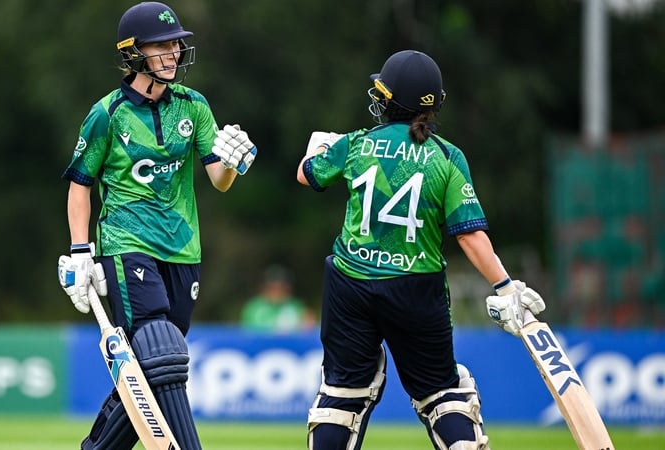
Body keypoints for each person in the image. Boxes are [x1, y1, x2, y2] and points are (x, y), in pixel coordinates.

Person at [296, 50, 546, 450]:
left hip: (351, 284)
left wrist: (316, 150)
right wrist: (504, 286)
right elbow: (469, 235)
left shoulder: (357, 144)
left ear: (389, 100)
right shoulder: (447, 156)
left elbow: (306, 175)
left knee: (342, 394)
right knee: (443, 393)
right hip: (416, 288)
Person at [56, 3, 257, 449]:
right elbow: (79, 186)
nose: (173, 52)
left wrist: (232, 163)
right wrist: (82, 252)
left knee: (155, 365)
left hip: (183, 249)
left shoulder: (194, 106)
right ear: (133, 53)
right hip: (126, 243)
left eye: (175, 44)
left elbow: (217, 181)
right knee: (161, 350)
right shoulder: (107, 114)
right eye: (162, 45)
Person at [240, 264, 315, 332]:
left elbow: (308, 328)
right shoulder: (253, 307)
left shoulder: (297, 307)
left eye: (281, 287)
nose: (277, 292)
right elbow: (247, 332)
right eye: (272, 288)